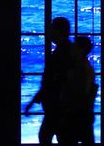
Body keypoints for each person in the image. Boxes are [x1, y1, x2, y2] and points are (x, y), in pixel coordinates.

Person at [25, 17, 75, 145]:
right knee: (60, 137)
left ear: (60, 31)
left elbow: (54, 81)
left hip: (57, 104)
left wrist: (36, 99)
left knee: (47, 137)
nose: (49, 32)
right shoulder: (66, 50)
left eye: (52, 29)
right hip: (59, 104)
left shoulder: (62, 52)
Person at [58, 35, 98, 146]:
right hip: (81, 113)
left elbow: (79, 92)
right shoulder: (84, 66)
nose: (71, 47)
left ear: (81, 49)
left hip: (76, 114)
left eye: (74, 45)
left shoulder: (80, 68)